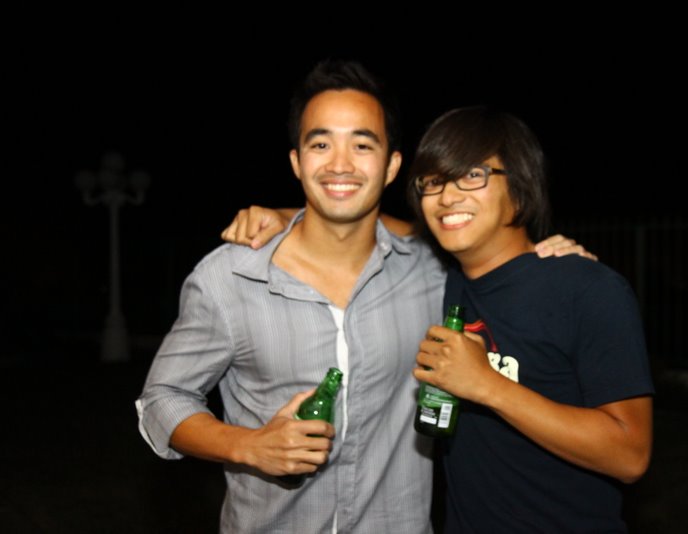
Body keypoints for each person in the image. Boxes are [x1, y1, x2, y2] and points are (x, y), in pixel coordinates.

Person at [137, 59, 592, 533]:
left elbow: (494, 255)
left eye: (362, 144)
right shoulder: (230, 277)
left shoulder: (430, 271)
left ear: (392, 165)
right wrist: (247, 445)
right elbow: (162, 399)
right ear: (296, 162)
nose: (340, 164)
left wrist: (548, 256)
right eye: (320, 144)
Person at [408, 106, 654, 532]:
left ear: (520, 187)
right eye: (433, 181)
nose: (446, 197)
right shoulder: (448, 283)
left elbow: (630, 455)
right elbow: (359, 229)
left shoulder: (587, 289)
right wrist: (289, 218)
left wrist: (487, 384)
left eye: (472, 175)